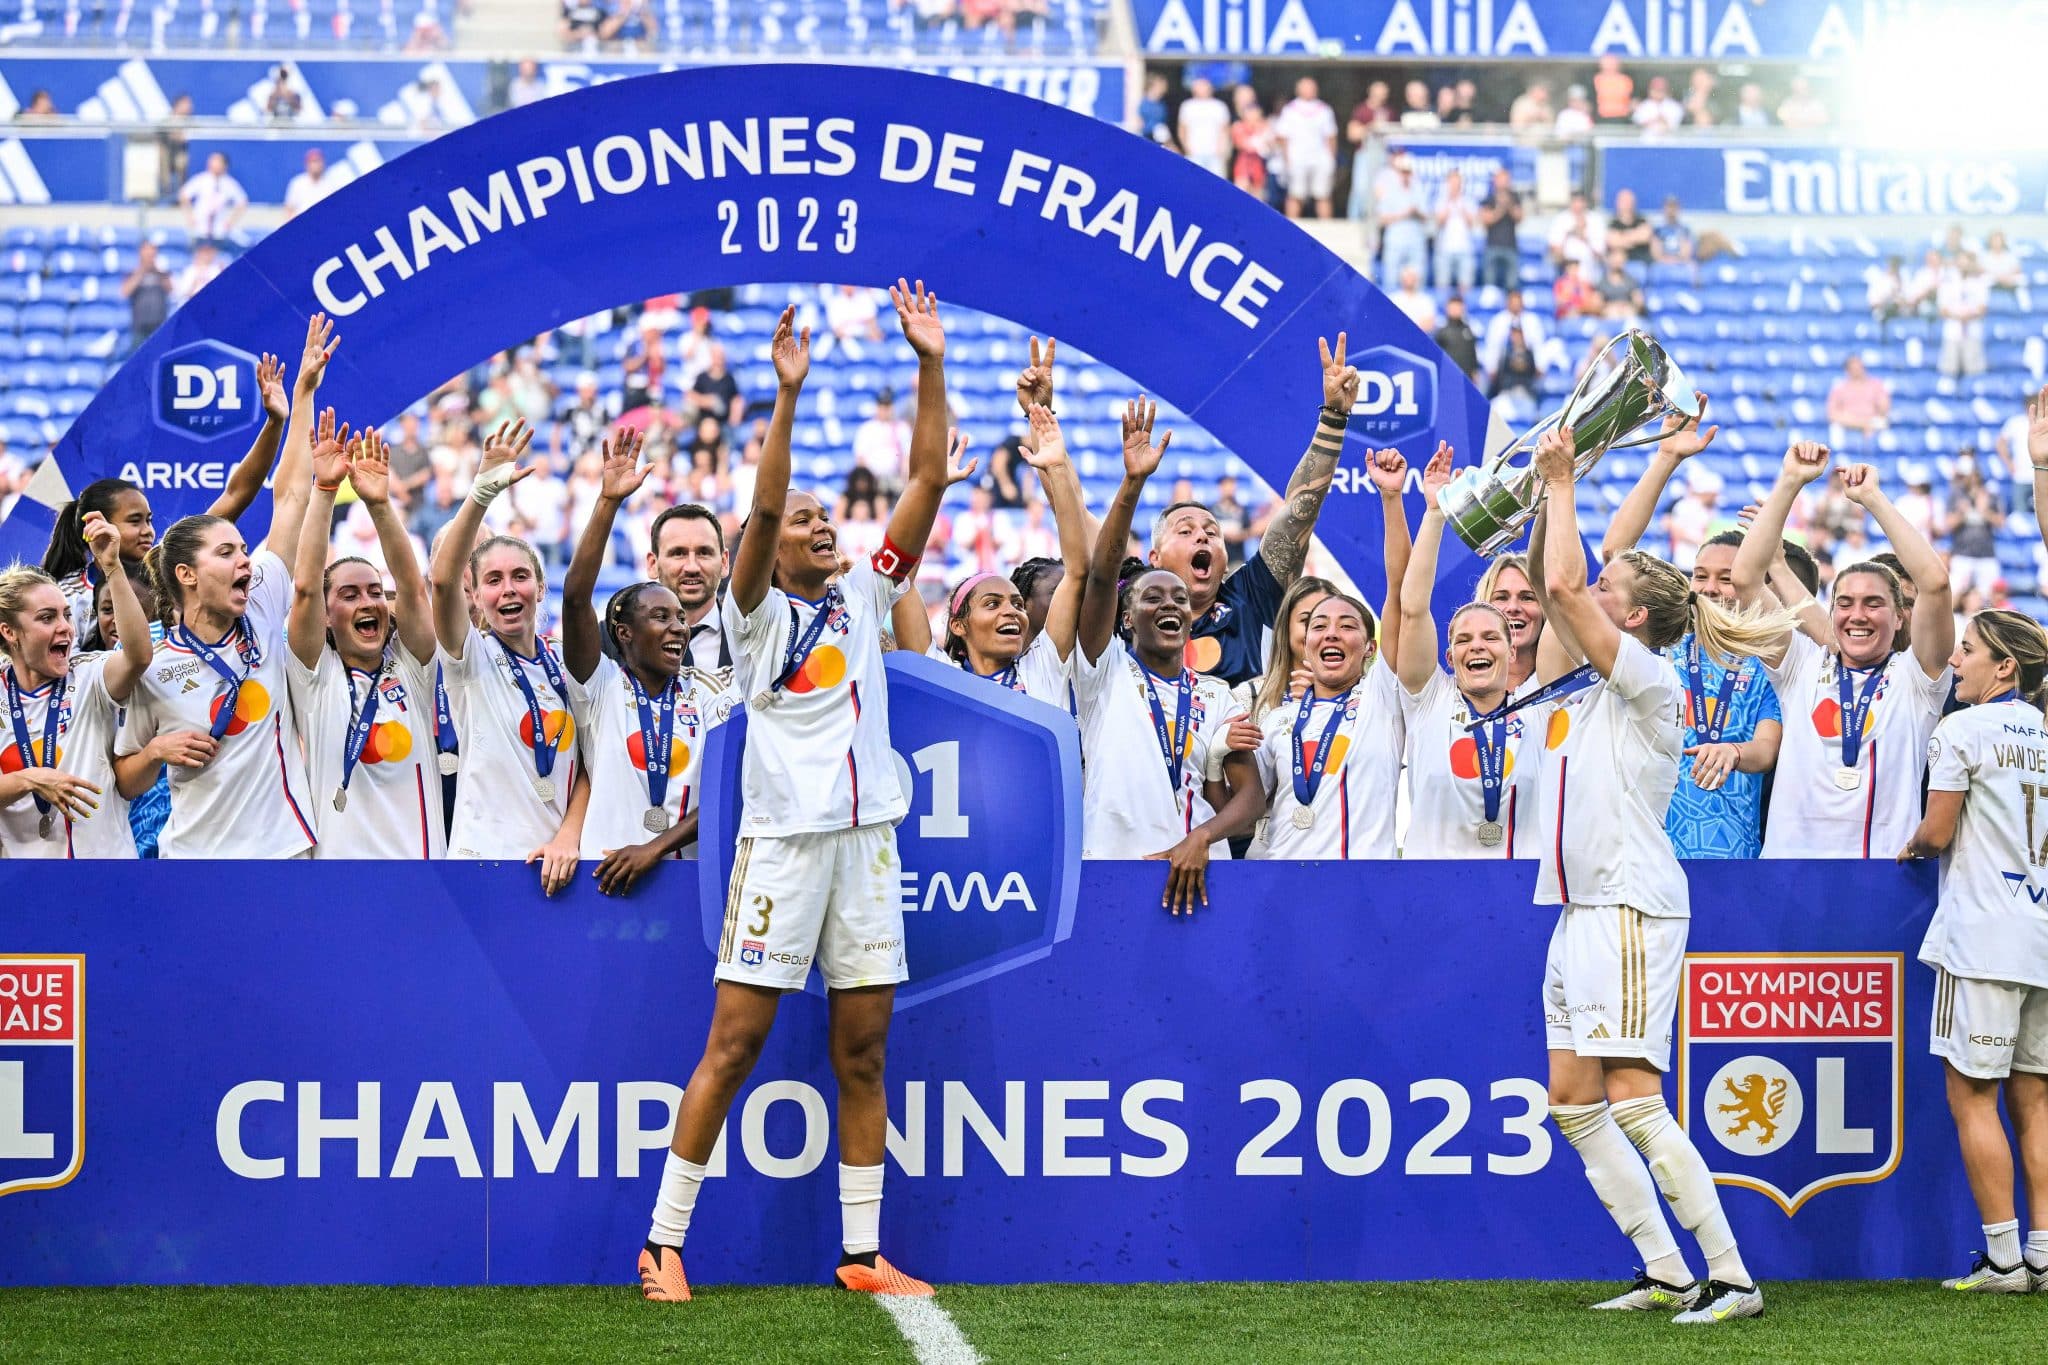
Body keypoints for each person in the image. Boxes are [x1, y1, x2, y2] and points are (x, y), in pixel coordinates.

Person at [636, 282, 953, 1303]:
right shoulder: (753, 617)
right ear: (761, 553)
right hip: (782, 848)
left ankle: (860, 1256)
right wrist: (784, 396)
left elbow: (927, 476)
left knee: (863, 1053)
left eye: (827, 517)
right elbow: (763, 504)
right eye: (803, 520)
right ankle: (663, 1242)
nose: (820, 526)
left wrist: (930, 363)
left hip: (868, 844)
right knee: (733, 1044)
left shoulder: (864, 593)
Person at [1530, 423, 1790, 1324]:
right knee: (1571, 1099)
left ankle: (1733, 1277)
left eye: (1612, 590)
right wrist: (1542, 494)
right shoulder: (1588, 681)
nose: (1592, 596)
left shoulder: (1648, 681)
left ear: (1634, 618)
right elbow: (1551, 583)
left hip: (1631, 902)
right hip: (1579, 906)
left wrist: (1565, 480)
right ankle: (1666, 1269)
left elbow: (1564, 584)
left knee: (1636, 1092)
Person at [113, 318, 327, 859]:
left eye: (244, 551)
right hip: (193, 864)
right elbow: (125, 779)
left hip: (285, 854)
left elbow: (292, 499)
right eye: (227, 552)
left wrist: (300, 398)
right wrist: (156, 750)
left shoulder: (261, 601)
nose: (246, 562)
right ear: (186, 575)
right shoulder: (150, 661)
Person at [1899, 609, 2048, 1293]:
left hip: (1983, 934)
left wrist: (1913, 845)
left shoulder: (1961, 729)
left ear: (2005, 666)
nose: (1955, 660)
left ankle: (2004, 1259)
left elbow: (1937, 829)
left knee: (1974, 1096)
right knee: (2037, 1098)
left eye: (1968, 650)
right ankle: (2044, 1252)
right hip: (2042, 935)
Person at [1735, 443, 1954, 859]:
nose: (1858, 615)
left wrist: (1872, 499)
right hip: (1789, 873)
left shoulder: (1917, 679)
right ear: (1831, 610)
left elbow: (1935, 584)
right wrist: (1791, 481)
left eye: (1874, 604)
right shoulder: (1800, 664)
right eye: (1845, 603)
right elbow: (1746, 579)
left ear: (1900, 617)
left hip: (1882, 877)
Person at [1073, 398, 1259, 889]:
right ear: (1127, 616)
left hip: (1203, 875)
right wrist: (1132, 484)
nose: (1170, 604)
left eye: (1178, 597)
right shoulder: (1102, 670)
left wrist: (1201, 837)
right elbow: (1098, 578)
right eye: (1152, 597)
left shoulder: (1218, 694)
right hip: (1113, 870)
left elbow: (1251, 798)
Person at [1601, 405, 1786, 859]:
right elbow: (1616, 555)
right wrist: (1665, 459)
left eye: (1728, 577)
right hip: (1649, 850)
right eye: (1701, 574)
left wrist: (1733, 753)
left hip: (1734, 855)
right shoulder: (1662, 639)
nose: (1711, 588)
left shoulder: (1768, 657)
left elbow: (1766, 748)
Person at [558, 428, 735, 889]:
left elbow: (729, 786)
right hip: (602, 874)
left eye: (680, 619)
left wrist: (656, 848)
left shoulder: (715, 689)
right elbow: (576, 599)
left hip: (693, 880)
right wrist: (608, 503)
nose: (679, 627)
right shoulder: (601, 685)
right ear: (623, 634)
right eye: (662, 617)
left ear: (725, 561)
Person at [427, 416, 590, 879]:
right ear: (475, 596)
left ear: (540, 587)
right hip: (482, 862)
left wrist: (568, 836)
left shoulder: (567, 662)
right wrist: (481, 492)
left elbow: (591, 768)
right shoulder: (469, 658)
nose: (508, 590)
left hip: (558, 864)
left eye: (520, 576)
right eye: (493, 581)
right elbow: (441, 581)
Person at [1148, 336, 1358, 687]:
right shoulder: (1132, 613)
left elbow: (1298, 512)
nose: (1202, 534)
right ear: (1154, 558)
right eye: (1185, 531)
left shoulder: (1251, 595)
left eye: (1212, 531)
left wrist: (1334, 418)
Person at [284, 426, 445, 859]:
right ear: (326, 615)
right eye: (349, 595)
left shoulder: (412, 668)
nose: (368, 601)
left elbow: (412, 590)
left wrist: (379, 504)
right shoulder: (314, 678)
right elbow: (303, 588)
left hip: (422, 880)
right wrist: (324, 490)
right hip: (339, 885)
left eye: (375, 591)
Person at [1396, 447, 1548, 858]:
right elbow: (1411, 609)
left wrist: (1551, 495)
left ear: (1511, 646)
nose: (1477, 645)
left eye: (1490, 637)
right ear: (1448, 657)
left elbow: (1559, 594)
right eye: (1463, 640)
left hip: (1522, 893)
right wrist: (1435, 514)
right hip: (1432, 892)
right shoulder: (1429, 700)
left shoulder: (1540, 705)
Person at [0, 514, 153, 857]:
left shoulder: (88, 675)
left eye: (67, 615)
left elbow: (139, 655)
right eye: (46, 618)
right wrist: (30, 779)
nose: (65, 628)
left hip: (106, 876)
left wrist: (112, 566)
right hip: (25, 885)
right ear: (9, 632)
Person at [1274, 77, 1337, 220]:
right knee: (1296, 194)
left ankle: (1327, 228)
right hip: (1297, 158)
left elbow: (1331, 136)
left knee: (1323, 194)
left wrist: (1331, 158)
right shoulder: (1290, 110)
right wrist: (1287, 158)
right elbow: (1283, 137)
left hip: (1320, 158)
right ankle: (1292, 227)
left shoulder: (1324, 110)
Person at [1374, 151, 1428, 285]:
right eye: (1403, 171)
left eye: (1408, 171)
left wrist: (1416, 212)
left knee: (1418, 281)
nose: (1405, 175)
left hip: (1415, 241)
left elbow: (1427, 216)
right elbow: (1382, 219)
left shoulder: (1419, 189)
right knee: (1391, 281)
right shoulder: (1390, 191)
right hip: (1395, 242)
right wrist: (1404, 214)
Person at [179, 152, 247, 246]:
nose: (212, 164)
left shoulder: (229, 184)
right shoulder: (201, 180)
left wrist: (231, 222)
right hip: (200, 229)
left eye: (216, 161)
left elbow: (242, 202)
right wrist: (189, 217)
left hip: (219, 231)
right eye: (211, 161)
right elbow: (184, 195)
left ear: (224, 165)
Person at [1826, 356, 1889, 453]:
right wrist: (1862, 424)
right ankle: (1841, 456)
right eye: (1854, 368)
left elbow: (1884, 407)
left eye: (1860, 367)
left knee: (1882, 423)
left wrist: (1872, 419)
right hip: (1848, 423)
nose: (1858, 370)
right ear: (1848, 370)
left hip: (1872, 421)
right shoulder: (1840, 387)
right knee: (1835, 427)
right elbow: (1832, 413)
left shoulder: (1876, 384)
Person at [120, 240, 174, 351]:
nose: (149, 257)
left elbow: (171, 289)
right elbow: (125, 292)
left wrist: (157, 271)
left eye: (151, 253)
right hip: (140, 327)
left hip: (159, 325)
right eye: (146, 253)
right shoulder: (132, 274)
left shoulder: (162, 273)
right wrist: (141, 271)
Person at [1433, 168, 1479, 291]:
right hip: (1444, 248)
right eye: (1452, 182)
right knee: (1442, 284)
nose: (1455, 185)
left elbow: (1471, 222)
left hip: (1465, 247)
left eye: (1457, 182)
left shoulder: (1468, 200)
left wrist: (1460, 204)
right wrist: (1449, 201)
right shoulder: (1441, 200)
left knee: (1466, 285)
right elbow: (1439, 221)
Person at [1176, 76, 1231, 177]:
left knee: (1216, 183)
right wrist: (1187, 148)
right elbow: (1182, 129)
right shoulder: (1187, 106)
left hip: (1214, 154)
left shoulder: (1219, 106)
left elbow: (1225, 129)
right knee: (1193, 182)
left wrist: (1222, 149)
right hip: (1194, 152)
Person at [1479, 168, 1523, 291]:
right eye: (1500, 179)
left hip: (1511, 246)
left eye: (1506, 180)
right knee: (1489, 284)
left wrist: (1508, 205)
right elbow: (1486, 220)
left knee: (1512, 285)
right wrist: (1500, 209)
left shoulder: (1515, 197)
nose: (1503, 183)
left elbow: (1519, 217)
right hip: (1492, 245)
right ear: (1495, 181)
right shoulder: (1489, 198)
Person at [1433, 292, 1481, 382]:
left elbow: (1472, 351)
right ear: (1447, 308)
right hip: (1448, 377)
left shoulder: (1468, 329)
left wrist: (1475, 370)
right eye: (1453, 307)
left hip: (1466, 376)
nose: (1456, 310)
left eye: (1458, 306)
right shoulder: (1441, 332)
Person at [282, 148, 341, 221]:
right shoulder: (297, 183)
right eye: (313, 162)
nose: (315, 165)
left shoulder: (332, 184)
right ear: (307, 164)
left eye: (318, 161)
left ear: (323, 163)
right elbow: (289, 208)